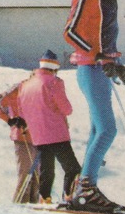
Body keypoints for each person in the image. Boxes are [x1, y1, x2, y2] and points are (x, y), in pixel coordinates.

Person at [63, 0, 125, 213]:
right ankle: (85, 188)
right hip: (89, 68)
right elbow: (70, 32)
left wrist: (114, 62)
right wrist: (98, 57)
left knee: (97, 131)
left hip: (101, 70)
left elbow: (104, 41)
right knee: (107, 130)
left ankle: (83, 189)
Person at [15, 50, 81, 205]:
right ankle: (69, 198)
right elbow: (67, 109)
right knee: (72, 168)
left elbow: (21, 110)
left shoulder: (25, 85)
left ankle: (45, 198)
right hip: (56, 133)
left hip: (38, 134)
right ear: (54, 67)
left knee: (46, 168)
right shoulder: (54, 82)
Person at [0, 78, 39, 203]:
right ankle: (20, 208)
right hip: (22, 138)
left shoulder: (47, 89)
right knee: (26, 177)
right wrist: (10, 119)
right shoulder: (20, 88)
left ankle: (35, 213)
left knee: (37, 180)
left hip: (39, 139)